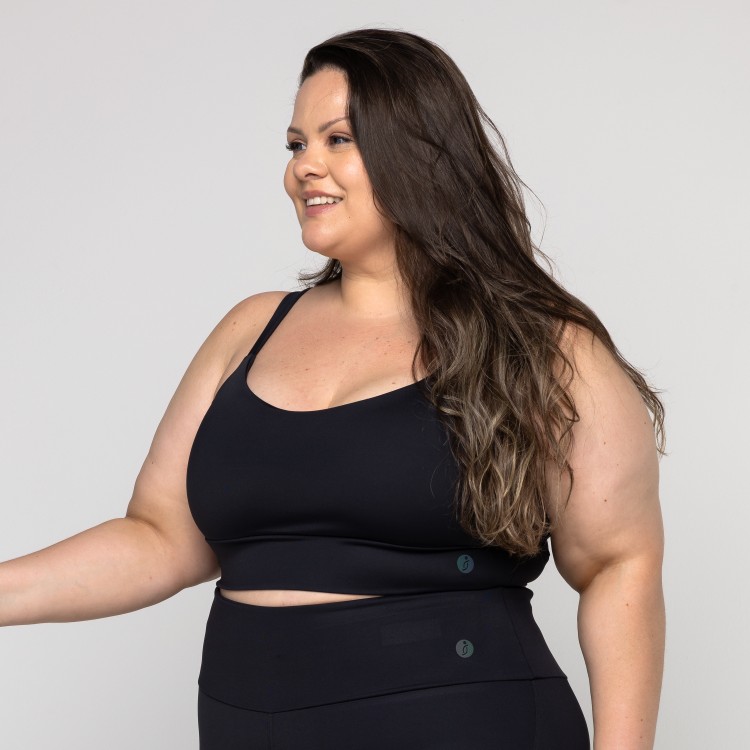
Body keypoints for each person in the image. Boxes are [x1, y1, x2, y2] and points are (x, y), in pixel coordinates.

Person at [0, 27, 665, 749]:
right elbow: (161, 538)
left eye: (337, 139)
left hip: (462, 723)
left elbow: (617, 565)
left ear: (421, 152)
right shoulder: (251, 329)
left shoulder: (543, 346)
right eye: (295, 145)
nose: (303, 168)